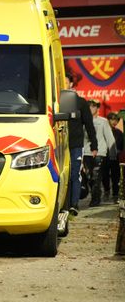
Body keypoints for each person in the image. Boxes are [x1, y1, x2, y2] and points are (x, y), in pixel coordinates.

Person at [65, 73, 97, 216]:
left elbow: (89, 125)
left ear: (71, 84)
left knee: (74, 174)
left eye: (65, 82)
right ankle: (63, 204)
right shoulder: (55, 101)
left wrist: (94, 145)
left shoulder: (80, 102)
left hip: (76, 145)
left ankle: (74, 204)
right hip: (59, 146)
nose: (63, 84)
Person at [83, 99, 115, 207]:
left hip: (100, 153)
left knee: (96, 177)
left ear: (98, 108)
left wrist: (112, 154)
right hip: (86, 153)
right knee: (88, 177)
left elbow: (110, 138)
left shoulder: (103, 121)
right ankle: (95, 195)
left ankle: (95, 199)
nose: (91, 108)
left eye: (94, 106)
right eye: (90, 106)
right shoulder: (84, 121)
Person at [102, 111, 123, 202]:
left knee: (116, 176)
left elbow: (121, 144)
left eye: (116, 120)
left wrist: (117, 150)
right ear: (108, 120)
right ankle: (107, 190)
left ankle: (115, 194)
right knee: (105, 175)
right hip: (105, 156)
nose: (114, 122)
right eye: (112, 120)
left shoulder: (118, 132)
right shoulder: (103, 130)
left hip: (115, 157)